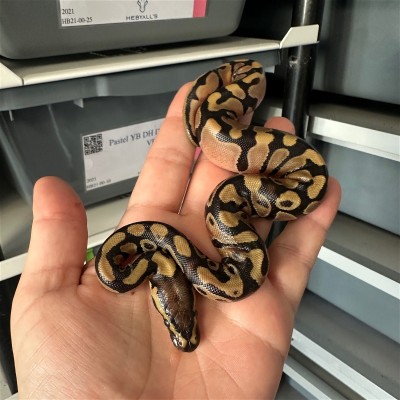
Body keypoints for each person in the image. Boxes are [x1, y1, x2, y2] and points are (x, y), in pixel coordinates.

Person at [11, 83, 341, 399]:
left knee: (231, 197)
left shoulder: (135, 270)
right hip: (258, 202)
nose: (185, 334)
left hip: (273, 190)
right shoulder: (144, 266)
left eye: (175, 323)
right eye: (185, 321)